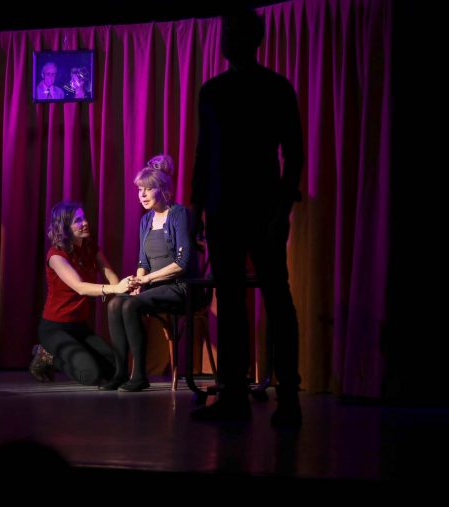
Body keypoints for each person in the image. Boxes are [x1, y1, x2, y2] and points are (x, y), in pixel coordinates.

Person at [190, 10, 304, 428]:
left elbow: (293, 156)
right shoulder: (214, 91)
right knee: (236, 302)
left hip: (259, 210)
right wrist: (197, 209)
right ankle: (235, 395)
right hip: (225, 211)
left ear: (248, 39)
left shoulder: (274, 88)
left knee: (276, 298)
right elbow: (204, 154)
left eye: (230, 33)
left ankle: (287, 397)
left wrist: (281, 211)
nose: (225, 39)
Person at [101, 155, 196, 392]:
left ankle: (140, 375)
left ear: (163, 190)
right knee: (115, 303)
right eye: (139, 189)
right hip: (154, 287)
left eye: (148, 189)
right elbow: (143, 260)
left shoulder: (179, 214)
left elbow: (182, 263)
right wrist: (137, 283)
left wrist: (146, 279)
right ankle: (120, 372)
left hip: (180, 287)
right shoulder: (146, 220)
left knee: (130, 306)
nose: (142, 195)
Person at [31, 201, 132, 386]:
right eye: (78, 220)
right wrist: (116, 289)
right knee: (90, 376)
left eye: (83, 218)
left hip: (79, 327)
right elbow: (80, 287)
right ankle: (46, 355)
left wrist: (126, 290)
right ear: (64, 227)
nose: (85, 223)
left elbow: (110, 276)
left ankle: (85, 358)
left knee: (117, 371)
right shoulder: (56, 255)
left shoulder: (90, 247)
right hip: (55, 328)